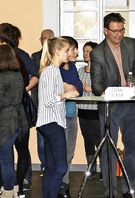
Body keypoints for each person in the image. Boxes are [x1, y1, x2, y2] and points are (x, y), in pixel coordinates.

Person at [89, 13, 135, 198]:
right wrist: (115, 90)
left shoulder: (132, 44)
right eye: (114, 31)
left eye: (121, 30)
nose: (119, 35)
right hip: (109, 107)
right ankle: (110, 192)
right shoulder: (97, 53)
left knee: (132, 147)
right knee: (108, 151)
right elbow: (96, 86)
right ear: (106, 31)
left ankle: (130, 189)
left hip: (130, 105)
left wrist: (131, 84)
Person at [0, 23, 36, 196]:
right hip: (19, 114)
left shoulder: (11, 65)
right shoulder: (14, 70)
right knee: (14, 152)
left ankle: (12, 188)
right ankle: (13, 187)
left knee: (9, 155)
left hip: (9, 116)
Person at [37, 37, 79, 198]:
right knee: (60, 167)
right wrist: (65, 95)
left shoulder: (52, 71)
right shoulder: (51, 71)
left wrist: (64, 94)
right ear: (56, 52)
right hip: (52, 123)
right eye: (66, 50)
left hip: (50, 123)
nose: (69, 53)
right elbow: (48, 101)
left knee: (52, 167)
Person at [58, 35, 83, 198]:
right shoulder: (55, 68)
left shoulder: (73, 68)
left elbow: (78, 89)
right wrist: (68, 88)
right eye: (73, 49)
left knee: (69, 152)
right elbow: (60, 90)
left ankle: (65, 184)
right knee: (59, 152)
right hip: (59, 116)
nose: (76, 52)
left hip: (72, 114)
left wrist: (70, 88)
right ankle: (59, 185)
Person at [31, 29, 54, 176]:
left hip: (56, 102)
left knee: (55, 137)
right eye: (43, 39)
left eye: (49, 39)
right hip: (39, 102)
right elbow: (33, 76)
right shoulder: (35, 57)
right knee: (41, 139)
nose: (45, 41)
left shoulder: (58, 56)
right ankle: (44, 165)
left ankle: (53, 166)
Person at [76, 41, 100, 177]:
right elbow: (78, 87)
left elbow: (103, 88)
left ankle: (104, 169)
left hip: (96, 111)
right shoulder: (80, 70)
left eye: (88, 51)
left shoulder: (100, 71)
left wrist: (89, 88)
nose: (85, 54)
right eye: (84, 51)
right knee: (87, 140)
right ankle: (91, 168)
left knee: (99, 139)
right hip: (83, 110)